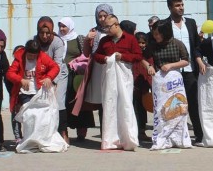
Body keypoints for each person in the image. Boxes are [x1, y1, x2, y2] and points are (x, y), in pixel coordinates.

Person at [94, 14, 142, 150]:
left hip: (124, 77)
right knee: (109, 105)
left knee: (125, 105)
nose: (106, 30)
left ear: (116, 25)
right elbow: (96, 55)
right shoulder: (104, 41)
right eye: (104, 28)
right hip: (109, 78)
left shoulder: (130, 39)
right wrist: (105, 59)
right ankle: (110, 139)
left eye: (108, 27)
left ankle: (128, 138)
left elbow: (138, 56)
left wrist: (123, 57)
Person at [142, 20, 193, 149]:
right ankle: (162, 138)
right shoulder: (153, 45)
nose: (155, 36)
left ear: (165, 33)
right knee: (162, 110)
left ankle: (180, 138)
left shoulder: (177, 43)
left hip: (175, 81)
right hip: (160, 81)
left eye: (158, 34)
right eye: (154, 34)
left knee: (178, 108)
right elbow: (142, 58)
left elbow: (186, 61)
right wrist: (149, 66)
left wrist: (171, 65)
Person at [165, 0, 203, 144]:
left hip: (190, 71)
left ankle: (199, 135)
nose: (181, 8)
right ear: (170, 7)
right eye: (177, 5)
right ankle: (174, 137)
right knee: (174, 105)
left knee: (193, 103)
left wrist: (199, 61)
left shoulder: (191, 23)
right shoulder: (165, 25)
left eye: (182, 5)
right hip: (172, 72)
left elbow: (197, 45)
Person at [6, 39, 60, 144]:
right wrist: (20, 80)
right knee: (27, 115)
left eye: (34, 56)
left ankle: (37, 138)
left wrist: (49, 77)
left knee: (39, 116)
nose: (32, 57)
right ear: (26, 51)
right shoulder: (19, 58)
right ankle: (22, 138)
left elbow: (55, 67)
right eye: (30, 55)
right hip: (24, 92)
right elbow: (10, 73)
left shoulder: (43, 57)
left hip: (39, 92)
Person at [59, 16, 95, 141]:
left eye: (64, 26)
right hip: (61, 75)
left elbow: (85, 54)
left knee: (79, 103)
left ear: (70, 26)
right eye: (60, 26)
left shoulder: (78, 39)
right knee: (63, 103)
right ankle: (64, 131)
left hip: (76, 74)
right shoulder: (57, 39)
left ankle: (82, 131)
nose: (62, 29)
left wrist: (75, 62)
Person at [35, 17, 68, 143]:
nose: (44, 36)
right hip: (41, 74)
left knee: (58, 101)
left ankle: (63, 131)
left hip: (58, 74)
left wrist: (53, 82)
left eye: (47, 33)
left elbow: (57, 64)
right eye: (41, 33)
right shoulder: (34, 41)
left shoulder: (57, 42)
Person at [133, 32, 152, 141]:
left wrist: (150, 85)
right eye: (139, 42)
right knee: (134, 109)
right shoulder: (132, 53)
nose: (141, 45)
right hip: (133, 86)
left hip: (144, 86)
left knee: (142, 110)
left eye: (143, 43)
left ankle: (141, 132)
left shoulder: (148, 54)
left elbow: (150, 69)